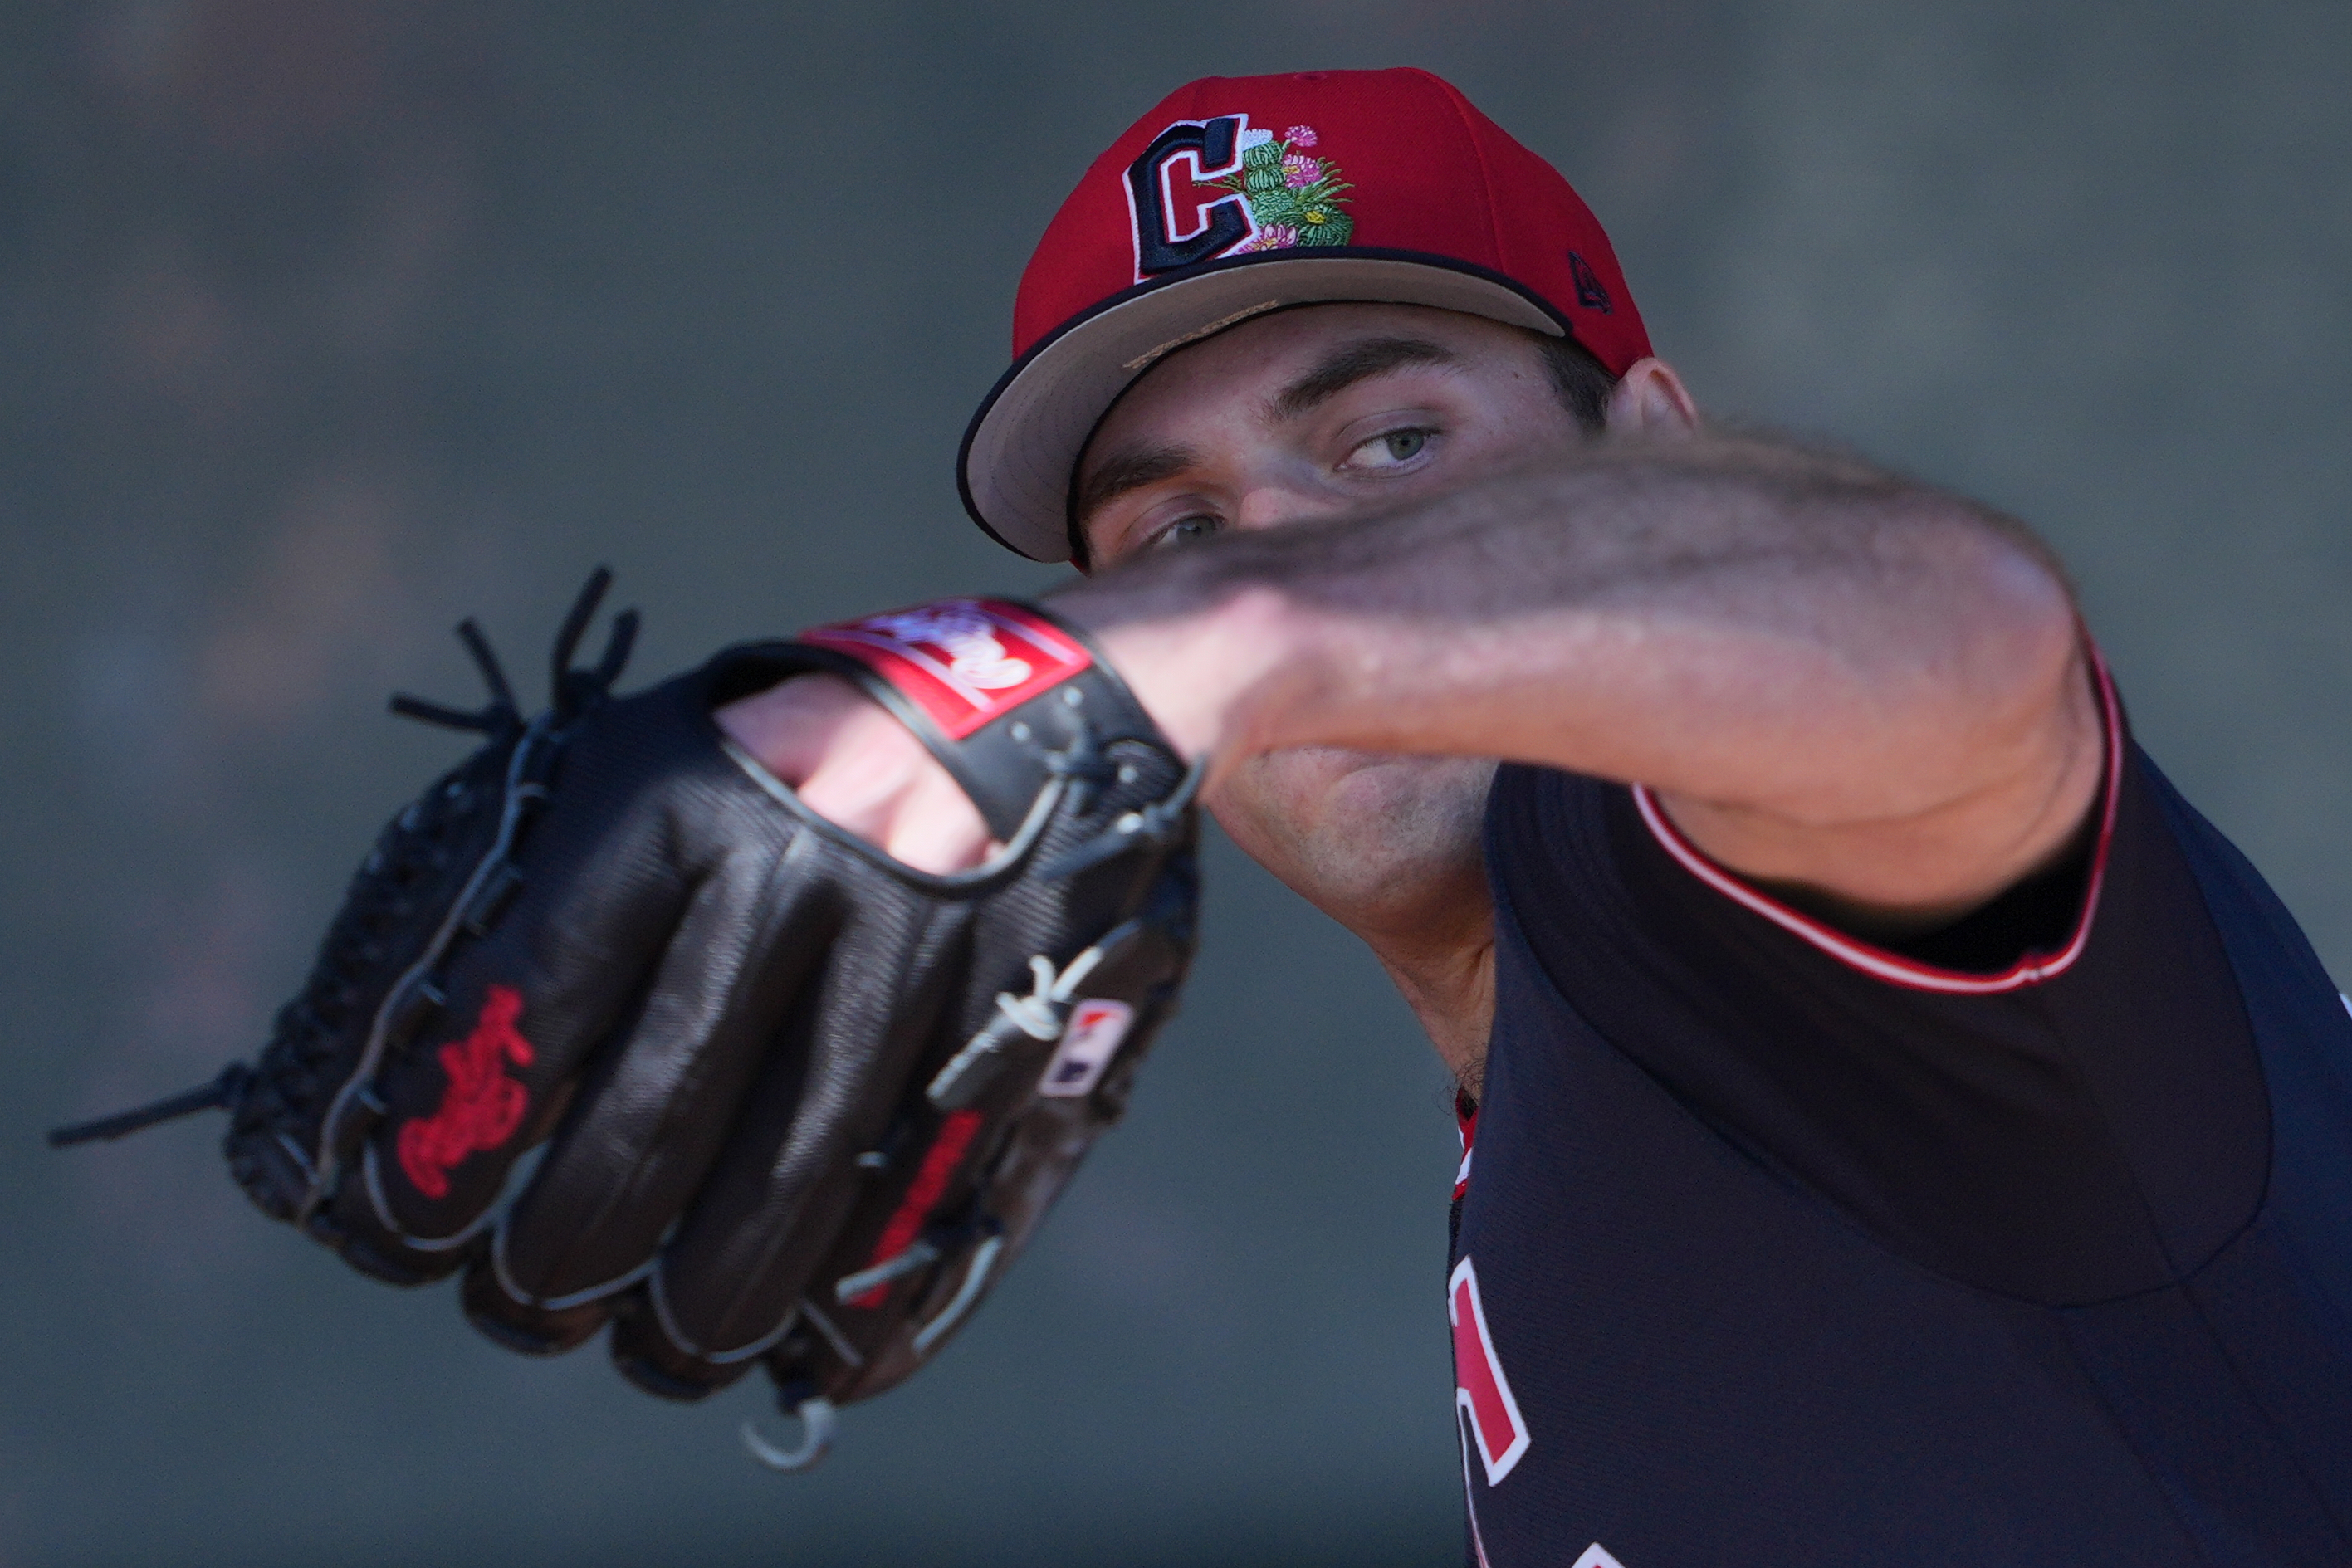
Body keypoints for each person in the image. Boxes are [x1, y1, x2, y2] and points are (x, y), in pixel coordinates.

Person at [717, 69, 2352, 1564]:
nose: (1279, 547)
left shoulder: (1680, 882)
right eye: (1180, 535)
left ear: (1656, 461)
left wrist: (1263, 617)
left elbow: (1971, 639)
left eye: (1391, 441)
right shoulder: (1556, 1062)